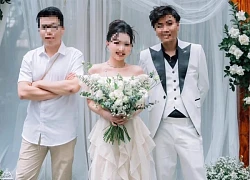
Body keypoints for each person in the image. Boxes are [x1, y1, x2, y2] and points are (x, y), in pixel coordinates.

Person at [139, 5, 209, 180]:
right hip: (161, 125)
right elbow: (143, 89)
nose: (165, 29)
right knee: (163, 174)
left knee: (196, 172)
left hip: (188, 124)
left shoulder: (196, 50)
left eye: (169, 23)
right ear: (155, 30)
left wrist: (191, 106)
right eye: (159, 25)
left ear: (178, 24)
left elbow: (204, 86)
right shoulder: (146, 56)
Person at [16, 6, 84, 180]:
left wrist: (38, 84)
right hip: (33, 130)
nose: (49, 32)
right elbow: (23, 92)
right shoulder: (30, 57)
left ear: (62, 29)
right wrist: (60, 89)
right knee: (23, 176)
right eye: (44, 27)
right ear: (39, 30)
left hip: (63, 132)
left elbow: (73, 88)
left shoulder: (74, 56)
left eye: (53, 26)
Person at [86, 20, 156, 180]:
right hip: (105, 128)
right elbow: (90, 101)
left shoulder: (137, 72)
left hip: (131, 130)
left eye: (126, 44)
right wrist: (107, 115)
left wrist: (129, 114)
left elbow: (141, 103)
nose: (121, 48)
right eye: (116, 43)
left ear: (131, 47)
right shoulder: (95, 70)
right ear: (108, 43)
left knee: (133, 171)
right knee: (107, 171)